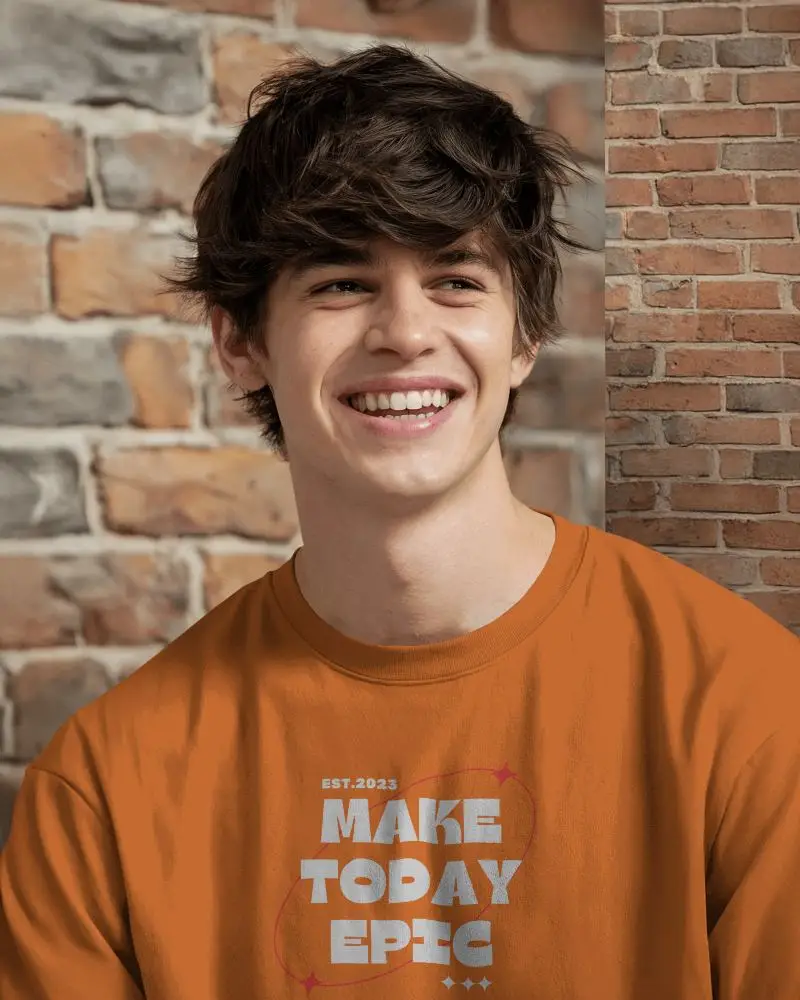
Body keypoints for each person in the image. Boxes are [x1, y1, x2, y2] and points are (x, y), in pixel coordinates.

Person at [1, 43, 798, 1000]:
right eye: (341, 283)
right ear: (241, 341)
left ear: (525, 336)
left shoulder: (753, 717)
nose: (406, 331)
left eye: (457, 280)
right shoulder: (103, 792)